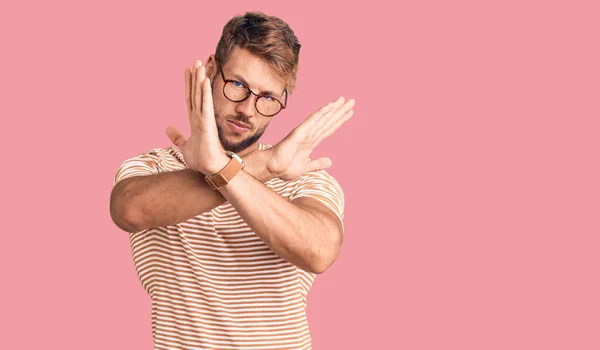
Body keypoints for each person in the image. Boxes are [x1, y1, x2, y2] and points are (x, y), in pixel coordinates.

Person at [110, 11, 355, 350]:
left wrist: (228, 167)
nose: (248, 110)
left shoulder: (299, 175)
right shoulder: (154, 166)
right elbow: (130, 210)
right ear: (211, 71)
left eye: (268, 97)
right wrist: (258, 166)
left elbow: (320, 251)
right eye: (238, 85)